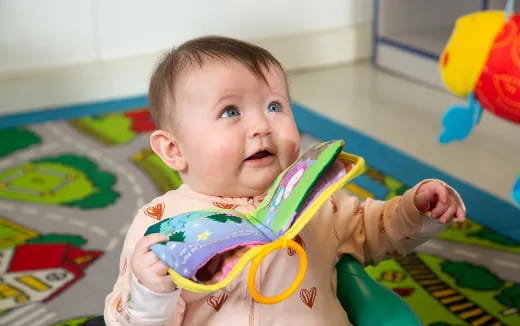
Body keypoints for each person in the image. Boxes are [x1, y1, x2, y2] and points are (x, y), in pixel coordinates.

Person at [104, 36, 466, 326]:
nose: (262, 126)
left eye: (275, 106)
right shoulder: (161, 224)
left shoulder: (315, 200)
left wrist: (416, 208)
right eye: (231, 111)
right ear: (173, 149)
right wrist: (151, 290)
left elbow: (375, 229)